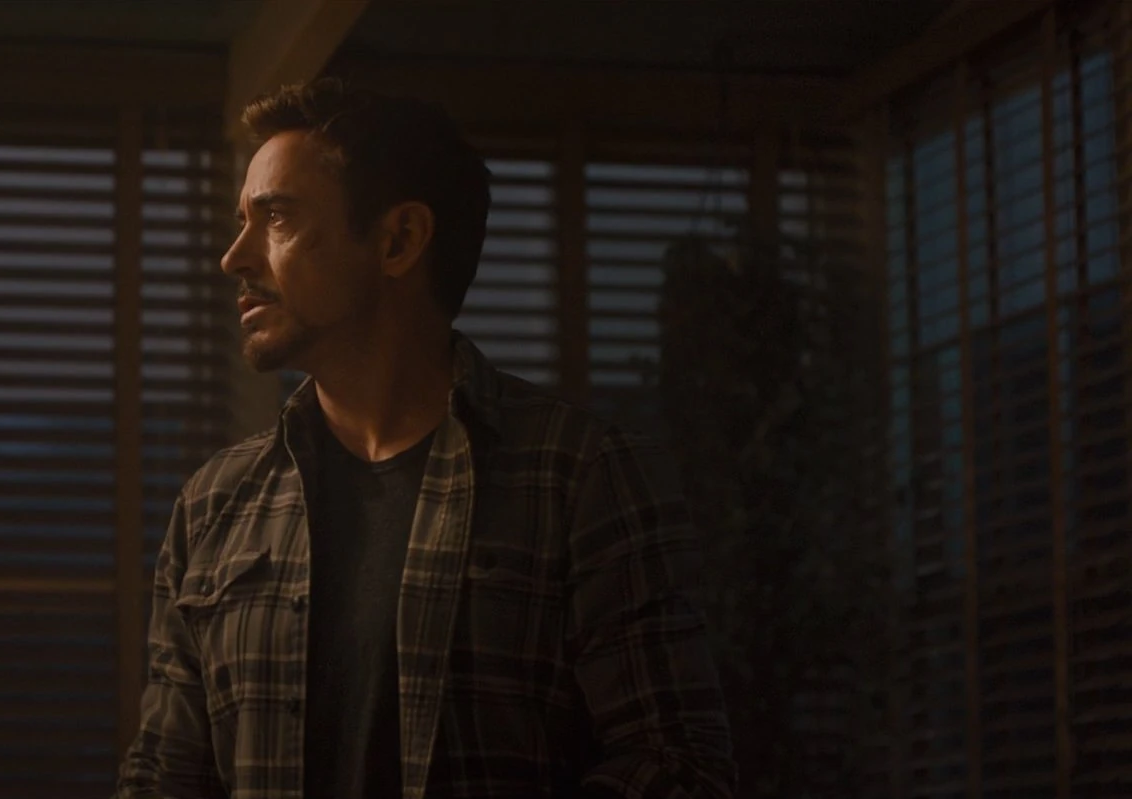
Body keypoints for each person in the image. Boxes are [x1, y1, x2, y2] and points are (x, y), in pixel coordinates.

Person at [115, 78, 735, 799]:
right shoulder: (214, 505)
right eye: (242, 221)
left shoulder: (583, 476)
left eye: (276, 217)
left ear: (399, 239)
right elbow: (162, 776)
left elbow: (675, 763)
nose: (235, 257)